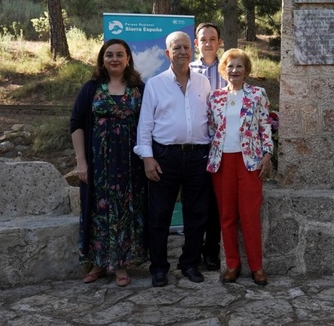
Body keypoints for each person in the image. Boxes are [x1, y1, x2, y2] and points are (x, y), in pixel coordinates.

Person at [134, 31, 212, 287]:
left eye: (186, 47)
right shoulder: (155, 84)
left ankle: (189, 263)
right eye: (176, 48)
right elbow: (145, 124)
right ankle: (158, 267)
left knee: (197, 214)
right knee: (159, 215)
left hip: (198, 156)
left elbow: (210, 121)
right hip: (164, 156)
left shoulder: (204, 83)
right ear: (167, 53)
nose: (182, 51)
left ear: (193, 50)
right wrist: (147, 157)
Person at [70, 39, 147, 287]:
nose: (114, 59)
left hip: (130, 165)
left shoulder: (139, 88)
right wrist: (81, 162)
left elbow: (149, 126)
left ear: (128, 59)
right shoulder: (91, 88)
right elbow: (77, 124)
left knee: (126, 212)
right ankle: (98, 263)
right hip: (98, 165)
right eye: (109, 55)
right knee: (96, 211)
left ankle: (122, 265)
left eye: (119, 55)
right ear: (102, 59)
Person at [207, 48, 274, 285]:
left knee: (249, 215)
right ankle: (233, 265)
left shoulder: (258, 95)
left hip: (250, 162)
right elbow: (211, 130)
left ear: (246, 71)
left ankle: (257, 267)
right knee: (226, 216)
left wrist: (267, 154)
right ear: (223, 70)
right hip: (222, 162)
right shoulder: (214, 97)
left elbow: (265, 126)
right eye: (230, 66)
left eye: (239, 66)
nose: (234, 70)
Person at [189, 22, 224, 271]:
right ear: (196, 43)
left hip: (223, 147)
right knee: (194, 202)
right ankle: (191, 251)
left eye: (213, 39)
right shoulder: (186, 70)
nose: (208, 43)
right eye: (203, 39)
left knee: (214, 203)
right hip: (196, 145)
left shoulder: (229, 67)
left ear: (219, 42)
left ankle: (211, 251)